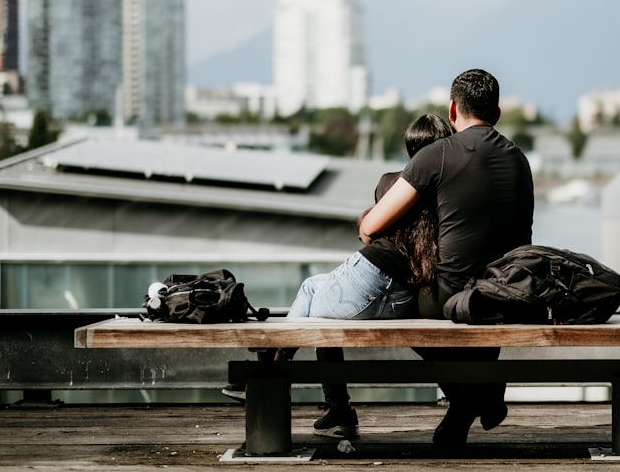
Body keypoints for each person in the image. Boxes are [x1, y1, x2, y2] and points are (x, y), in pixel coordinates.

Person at [224, 113, 454, 440]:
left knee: (309, 289)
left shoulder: (392, 183)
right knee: (320, 313)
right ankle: (336, 410)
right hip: (406, 296)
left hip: (371, 277)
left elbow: (370, 233)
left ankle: (268, 377)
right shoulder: (450, 197)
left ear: (411, 148)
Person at [359, 68, 535, 447]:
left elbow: (372, 226)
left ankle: (472, 395)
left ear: (453, 109)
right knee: (479, 305)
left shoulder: (436, 155)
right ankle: (473, 397)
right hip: (508, 294)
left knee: (406, 303)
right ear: (497, 112)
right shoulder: (519, 160)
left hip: (449, 297)